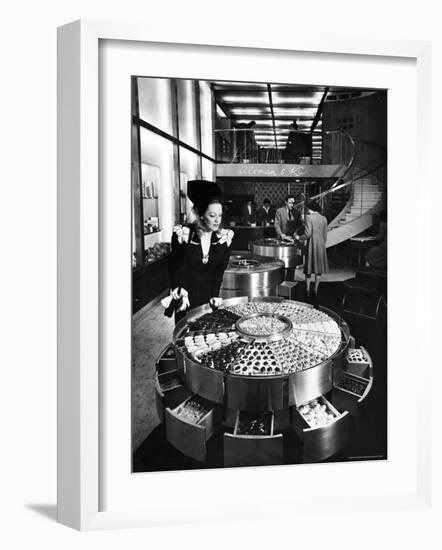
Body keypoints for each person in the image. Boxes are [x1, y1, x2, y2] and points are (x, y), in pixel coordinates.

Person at [167, 180, 234, 322]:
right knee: (184, 337)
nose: (217, 220)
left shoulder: (223, 238)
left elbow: (219, 272)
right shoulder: (183, 234)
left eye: (220, 215)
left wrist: (215, 296)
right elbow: (174, 266)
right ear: (201, 215)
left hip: (207, 298)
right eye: (212, 215)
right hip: (186, 298)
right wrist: (177, 289)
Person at [302, 200, 329, 302]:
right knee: (318, 270)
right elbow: (325, 235)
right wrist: (321, 243)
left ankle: (307, 289)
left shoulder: (309, 217)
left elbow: (308, 234)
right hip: (321, 244)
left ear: (309, 208)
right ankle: (316, 290)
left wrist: (299, 238)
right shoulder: (324, 218)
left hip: (312, 244)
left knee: (308, 269)